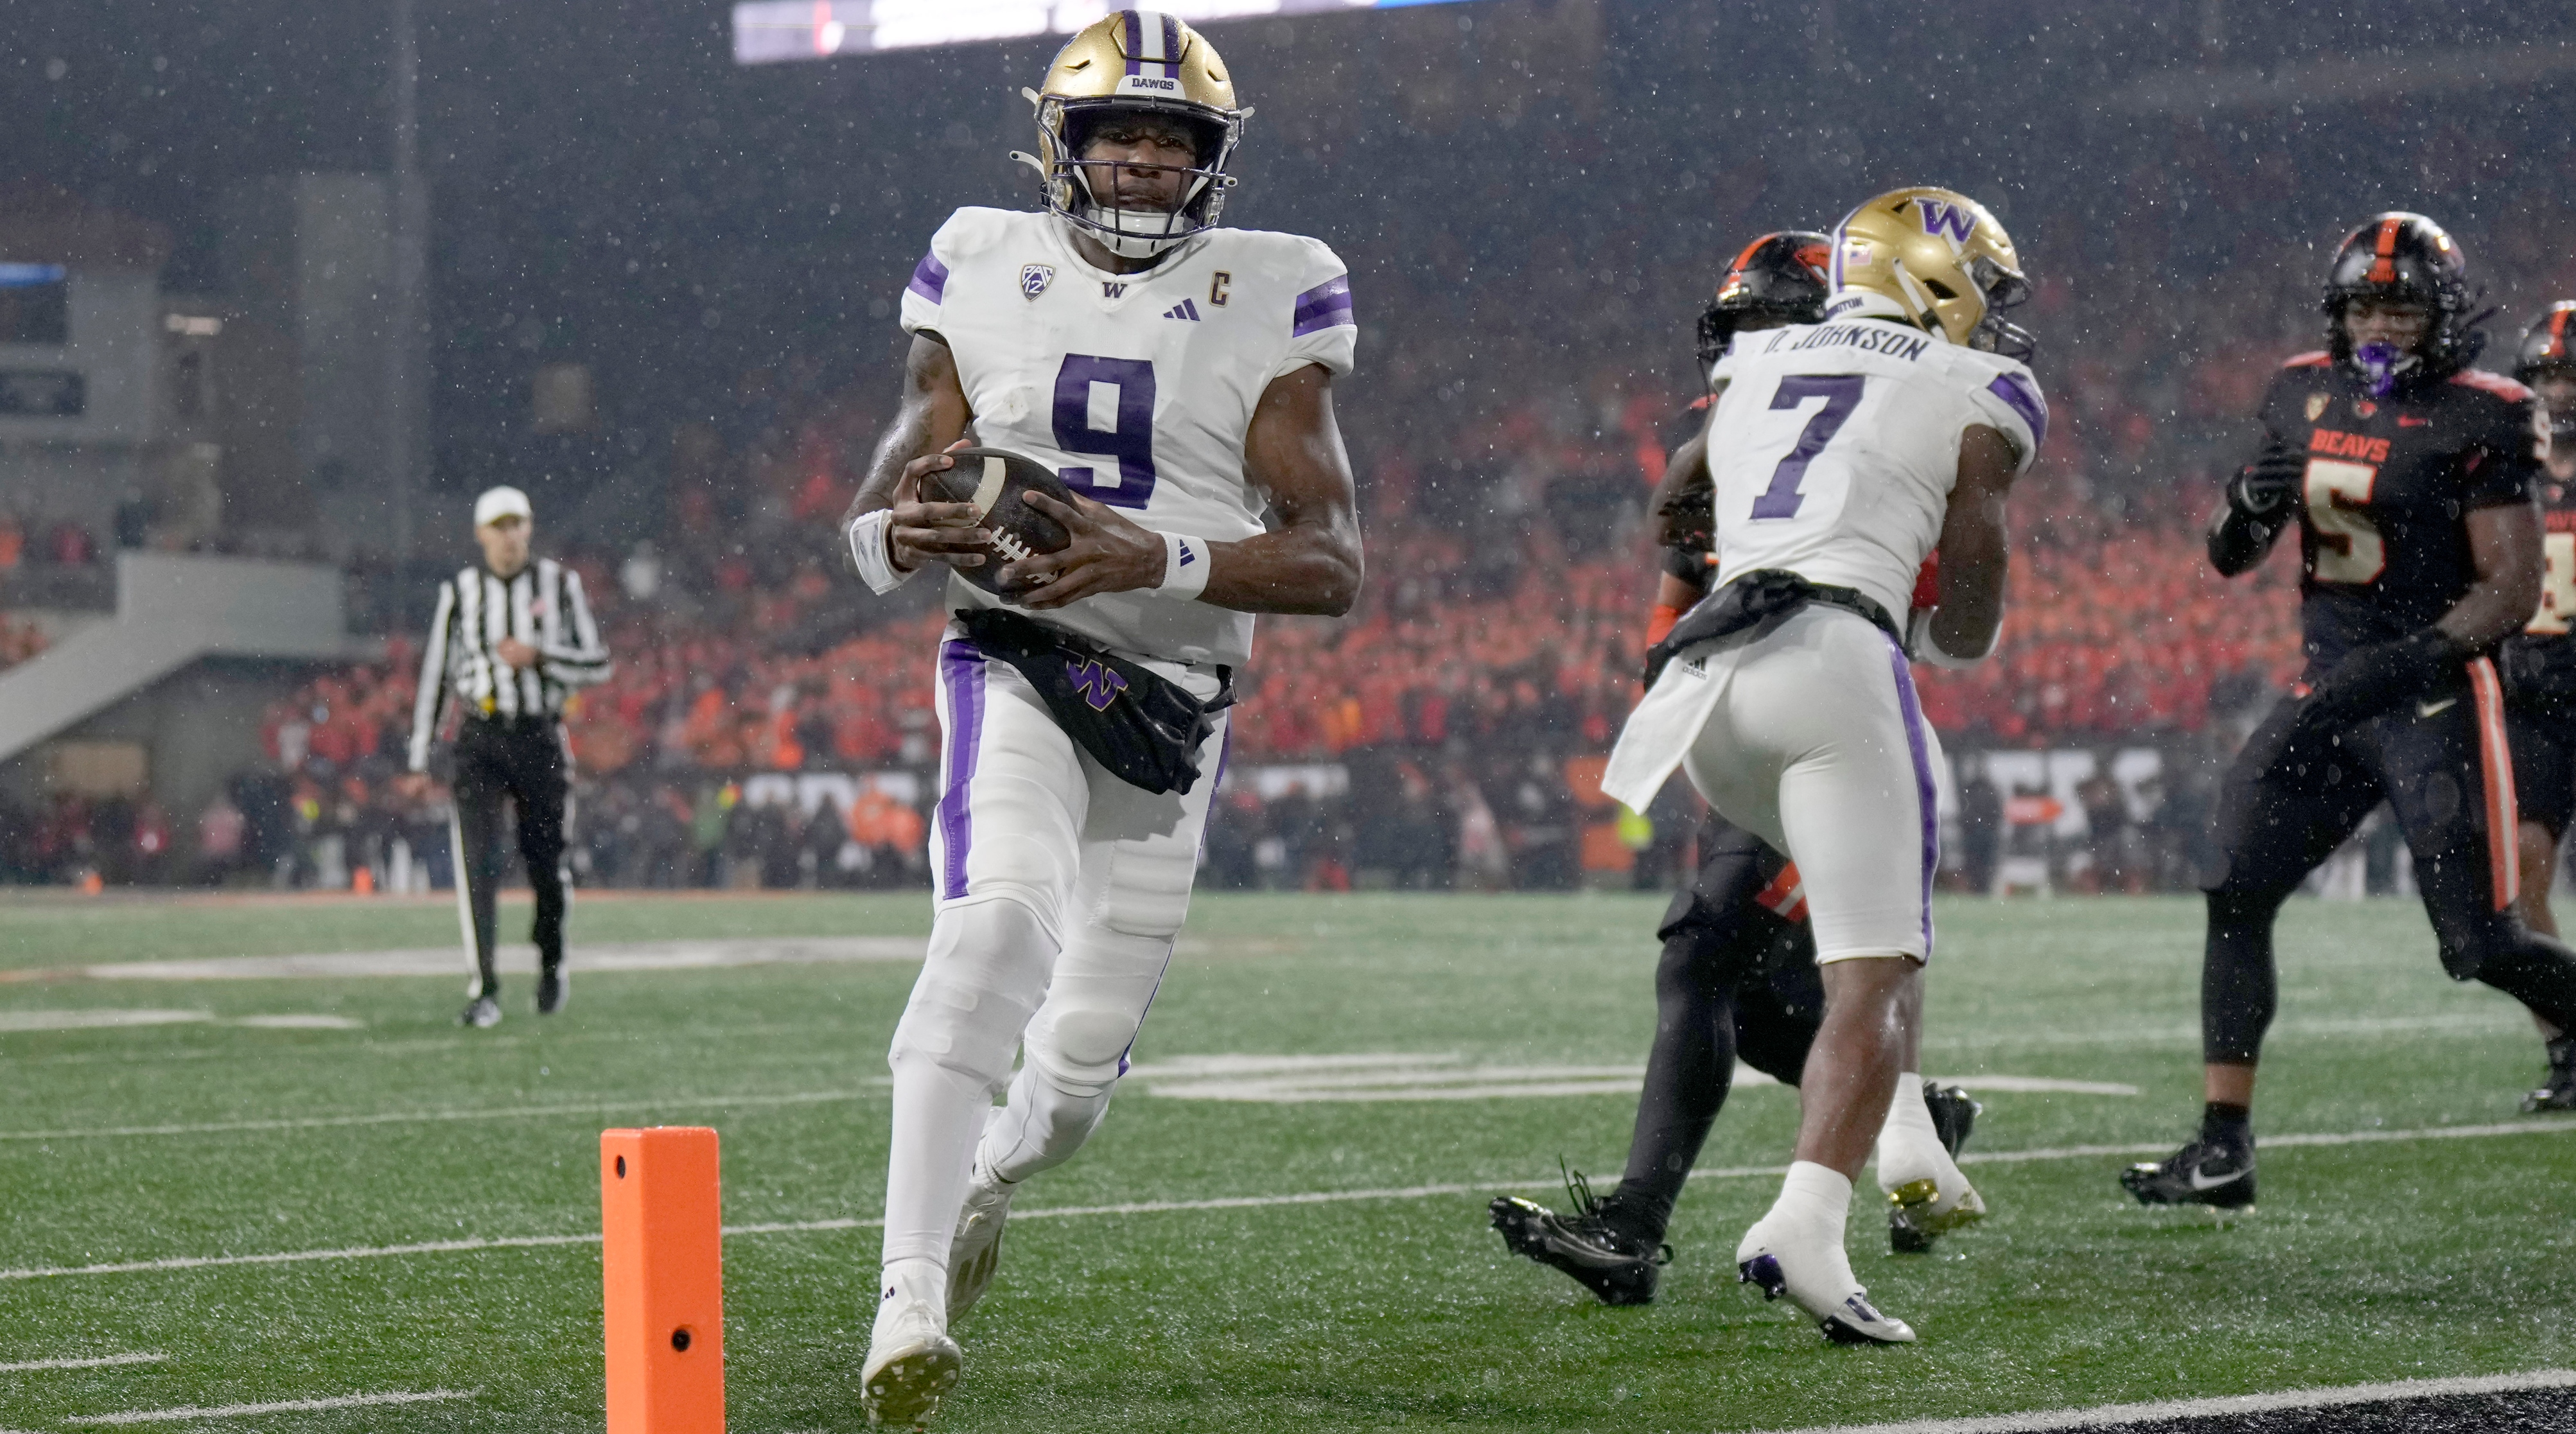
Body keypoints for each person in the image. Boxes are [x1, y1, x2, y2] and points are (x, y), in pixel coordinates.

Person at [837, 12, 1363, 1424]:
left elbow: (1331, 562)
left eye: (1169, 138)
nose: (1140, 159)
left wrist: (1156, 555)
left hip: (1171, 706)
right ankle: (905, 1294)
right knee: (992, 923)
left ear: (1210, 160)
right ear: (1058, 149)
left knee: (1070, 1089)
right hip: (1015, 653)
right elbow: (895, 485)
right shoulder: (978, 259)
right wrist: (903, 528)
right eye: (1115, 134)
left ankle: (989, 1178)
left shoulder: (1277, 288)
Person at [1491, 233, 1981, 1310]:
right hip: (1746, 717)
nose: (1752, 355)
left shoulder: (1882, 431)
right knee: (1754, 1008)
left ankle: (1633, 1228)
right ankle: (1907, 1112)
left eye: (1774, 332)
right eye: (1740, 334)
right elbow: (1668, 611)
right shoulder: (1729, 442)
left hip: (1841, 727)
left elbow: (1933, 621)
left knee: (1703, 949)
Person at [1601, 188, 2041, 1344]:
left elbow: (1676, 498)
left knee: (1851, 911)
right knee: (1874, 966)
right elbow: (1976, 550)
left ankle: (1905, 1133)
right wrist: (1956, 633)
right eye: (1983, 291)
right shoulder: (1980, 385)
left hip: (1710, 693)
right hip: (1834, 662)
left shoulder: (1761, 357)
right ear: (1937, 282)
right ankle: (1806, 1222)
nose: (1993, 316)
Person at [2122, 214, 2576, 1211]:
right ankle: (2221, 1146)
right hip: (2326, 692)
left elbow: (2508, 587)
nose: (2380, 323)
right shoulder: (2299, 388)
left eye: (2400, 307)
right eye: (2365, 305)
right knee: (2230, 886)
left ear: (2444, 316)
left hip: (2431, 693)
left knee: (2480, 946)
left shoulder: (2486, 413)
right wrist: (2245, 502)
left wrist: (2411, 657)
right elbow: (2226, 554)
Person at [400, 485, 611, 1027]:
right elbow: (437, 679)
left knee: (546, 863)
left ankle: (551, 961)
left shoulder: (560, 584)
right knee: (477, 865)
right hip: (480, 739)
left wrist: (541, 656)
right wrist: (420, 757)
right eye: (498, 525)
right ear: (481, 534)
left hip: (540, 736)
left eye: (516, 523)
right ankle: (485, 987)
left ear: (529, 528)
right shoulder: (461, 591)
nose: (508, 535)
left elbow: (597, 663)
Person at [2496, 301, 2576, 1112]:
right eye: (2548, 375)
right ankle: (2567, 1042)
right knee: (2517, 879)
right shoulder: (2504, 475)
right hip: (2537, 701)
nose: (2558, 391)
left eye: (2571, 374)